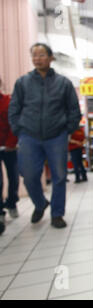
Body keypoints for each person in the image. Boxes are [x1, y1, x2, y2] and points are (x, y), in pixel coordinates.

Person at [8, 43, 81, 229]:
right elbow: (14, 109)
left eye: (41, 55)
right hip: (29, 135)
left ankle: (57, 214)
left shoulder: (63, 83)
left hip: (56, 135)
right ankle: (40, 204)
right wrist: (18, 130)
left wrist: (68, 130)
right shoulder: (22, 83)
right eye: (34, 55)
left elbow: (74, 109)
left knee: (59, 176)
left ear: (50, 58)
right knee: (29, 174)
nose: (37, 58)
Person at [0, 77, 19, 235]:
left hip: (9, 147)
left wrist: (11, 143)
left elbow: (14, 123)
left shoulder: (8, 101)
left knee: (13, 176)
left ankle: (12, 202)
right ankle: (0, 210)